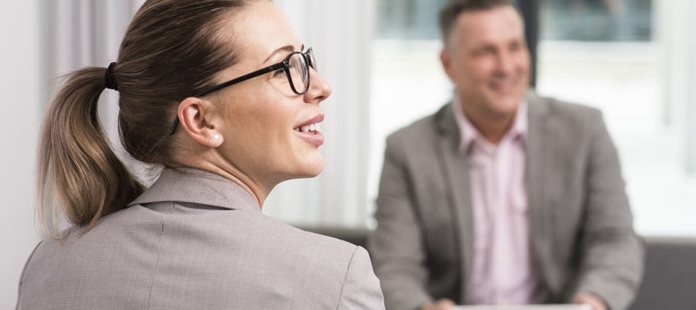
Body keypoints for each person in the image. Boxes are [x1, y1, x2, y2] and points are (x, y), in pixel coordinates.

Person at [16, 1, 384, 309]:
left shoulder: (49, 265)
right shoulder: (336, 277)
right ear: (201, 119)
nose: (321, 86)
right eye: (285, 67)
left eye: (305, 60)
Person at [368, 0, 643, 310]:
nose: (506, 66)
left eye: (514, 47)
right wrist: (423, 308)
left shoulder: (585, 131)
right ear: (448, 64)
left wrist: (592, 303)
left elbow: (614, 240)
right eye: (486, 52)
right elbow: (395, 265)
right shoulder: (407, 149)